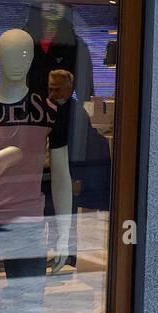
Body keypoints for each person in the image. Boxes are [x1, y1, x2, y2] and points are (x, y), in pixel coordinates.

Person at [42, 69, 112, 271]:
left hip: (68, 172)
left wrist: (78, 177)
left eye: (57, 90)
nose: (53, 94)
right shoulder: (47, 109)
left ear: (69, 90)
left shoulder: (75, 112)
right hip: (47, 172)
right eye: (50, 90)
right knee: (47, 217)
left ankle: (67, 259)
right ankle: (52, 255)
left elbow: (83, 146)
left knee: (65, 218)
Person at [22, 1, 94, 105]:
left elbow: (86, 88)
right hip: (30, 110)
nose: (49, 27)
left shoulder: (76, 46)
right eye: (45, 22)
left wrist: (89, 115)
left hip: (61, 110)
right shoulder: (24, 43)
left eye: (55, 23)